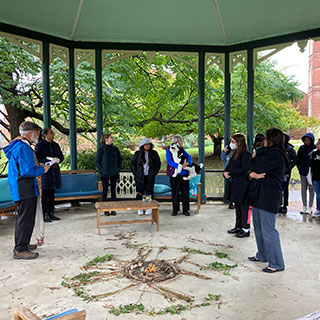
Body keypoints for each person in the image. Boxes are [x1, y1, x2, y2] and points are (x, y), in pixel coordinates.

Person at [3, 121, 50, 260]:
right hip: (24, 188)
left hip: (21, 187)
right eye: (36, 132)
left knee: (25, 218)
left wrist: (38, 166)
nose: (37, 135)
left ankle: (23, 244)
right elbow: (26, 171)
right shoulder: (24, 148)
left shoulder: (18, 146)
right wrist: (43, 169)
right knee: (25, 219)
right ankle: (20, 249)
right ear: (30, 133)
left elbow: (24, 167)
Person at [247, 127, 288, 273]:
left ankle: (277, 263)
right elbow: (251, 167)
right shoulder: (264, 153)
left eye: (265, 138)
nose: (263, 140)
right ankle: (262, 254)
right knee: (258, 227)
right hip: (259, 195)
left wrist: (254, 162)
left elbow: (256, 166)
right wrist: (251, 173)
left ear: (271, 139)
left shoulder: (275, 154)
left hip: (269, 197)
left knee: (269, 230)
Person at [224, 134, 251, 238]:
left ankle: (246, 229)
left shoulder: (246, 154)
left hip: (244, 185)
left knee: (244, 207)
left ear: (239, 142)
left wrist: (230, 172)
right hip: (235, 183)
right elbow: (229, 166)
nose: (231, 144)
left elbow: (244, 170)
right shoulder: (235, 153)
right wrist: (225, 172)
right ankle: (238, 226)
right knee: (238, 207)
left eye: (233, 141)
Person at [35, 128, 64, 222]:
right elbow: (38, 157)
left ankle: (51, 212)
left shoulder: (55, 145)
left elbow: (61, 156)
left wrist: (58, 159)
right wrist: (47, 161)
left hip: (54, 170)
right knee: (45, 193)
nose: (53, 134)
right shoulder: (40, 145)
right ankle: (45, 214)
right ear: (45, 135)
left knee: (52, 193)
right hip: (45, 171)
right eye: (51, 133)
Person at [131, 138, 161, 215]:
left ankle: (148, 207)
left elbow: (158, 164)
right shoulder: (137, 154)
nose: (147, 146)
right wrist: (136, 173)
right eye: (145, 144)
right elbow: (132, 164)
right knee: (140, 192)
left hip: (150, 176)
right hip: (140, 176)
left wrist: (154, 173)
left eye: (148, 144)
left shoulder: (154, 153)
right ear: (142, 145)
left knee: (148, 192)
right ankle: (140, 208)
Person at [95, 133, 122, 216]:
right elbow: (97, 161)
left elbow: (120, 160)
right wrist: (102, 171)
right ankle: (106, 209)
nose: (112, 139)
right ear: (106, 139)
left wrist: (117, 169)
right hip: (105, 174)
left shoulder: (115, 149)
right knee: (105, 191)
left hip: (114, 173)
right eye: (111, 137)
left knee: (113, 191)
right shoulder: (101, 149)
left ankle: (113, 209)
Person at [166, 134, 193, 216]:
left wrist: (188, 163)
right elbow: (169, 161)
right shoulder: (169, 149)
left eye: (181, 141)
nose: (181, 142)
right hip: (175, 175)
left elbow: (189, 157)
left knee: (185, 193)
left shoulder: (182, 149)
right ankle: (175, 209)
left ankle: (186, 210)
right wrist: (179, 165)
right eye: (180, 141)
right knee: (175, 193)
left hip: (184, 174)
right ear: (176, 141)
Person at [297, 132, 316, 214]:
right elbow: (298, 159)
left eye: (308, 140)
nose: (307, 142)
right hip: (303, 172)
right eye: (305, 140)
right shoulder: (302, 148)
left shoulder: (314, 148)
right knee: (303, 189)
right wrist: (299, 168)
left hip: (311, 172)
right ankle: (304, 205)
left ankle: (310, 206)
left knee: (311, 189)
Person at [279, 134, 298, 214]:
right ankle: (279, 204)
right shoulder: (278, 148)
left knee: (285, 188)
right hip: (278, 171)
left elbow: (295, 160)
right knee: (278, 188)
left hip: (286, 171)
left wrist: (288, 168)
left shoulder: (290, 149)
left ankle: (285, 205)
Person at [221, 141, 235, 209]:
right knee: (228, 186)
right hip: (227, 172)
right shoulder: (227, 148)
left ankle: (234, 201)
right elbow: (222, 158)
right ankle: (230, 201)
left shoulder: (239, 151)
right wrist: (223, 151)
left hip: (234, 172)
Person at [309, 139, 320, 218]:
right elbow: (311, 165)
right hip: (316, 177)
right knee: (318, 194)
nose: (317, 144)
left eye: (318, 143)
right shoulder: (313, 153)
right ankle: (318, 209)